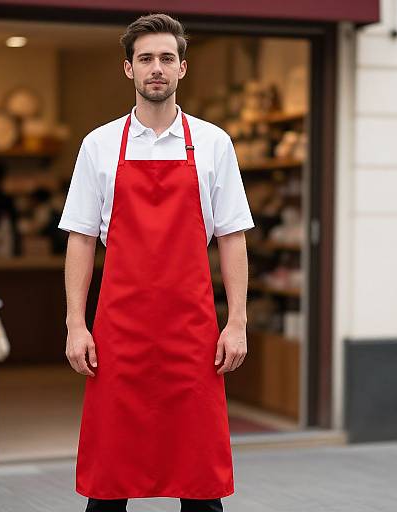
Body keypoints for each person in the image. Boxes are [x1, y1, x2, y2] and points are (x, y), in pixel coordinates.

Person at [58, 13, 254, 512]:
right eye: (146, 59)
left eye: (167, 58)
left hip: (192, 335)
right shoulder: (98, 145)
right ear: (128, 69)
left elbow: (232, 237)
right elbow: (80, 238)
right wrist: (75, 325)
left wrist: (237, 322)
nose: (156, 68)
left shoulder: (214, 144)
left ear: (182, 68)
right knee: (108, 482)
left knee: (201, 483)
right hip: (118, 334)